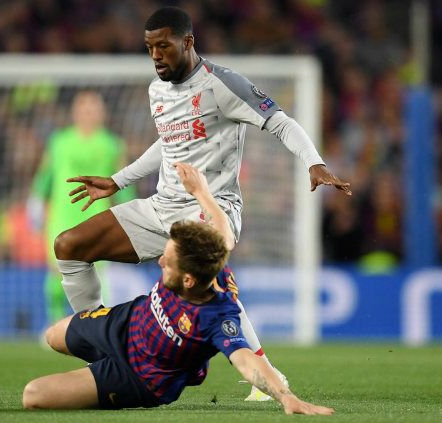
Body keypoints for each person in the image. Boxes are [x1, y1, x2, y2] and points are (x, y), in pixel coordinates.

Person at [54, 6, 351, 401]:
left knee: (211, 287)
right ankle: (102, 351)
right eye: (149, 48)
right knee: (69, 246)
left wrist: (314, 163)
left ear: (188, 42)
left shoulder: (222, 84)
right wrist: (118, 180)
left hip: (210, 209)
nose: (156, 55)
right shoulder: (156, 90)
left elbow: (279, 120)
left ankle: (263, 371)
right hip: (162, 207)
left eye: (164, 45)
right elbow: (168, 143)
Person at [23, 163, 334, 415]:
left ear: (187, 281)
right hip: (125, 323)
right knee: (53, 336)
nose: (160, 261)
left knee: (33, 395)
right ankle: (101, 365)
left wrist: (285, 396)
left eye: (167, 261)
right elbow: (223, 230)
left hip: (139, 377)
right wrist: (200, 192)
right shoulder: (203, 257)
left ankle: (107, 378)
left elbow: (245, 360)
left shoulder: (216, 316)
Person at [28, 91, 134, 323]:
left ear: (102, 113)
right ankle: (54, 322)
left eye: (93, 109)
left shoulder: (113, 145)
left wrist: (130, 210)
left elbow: (124, 183)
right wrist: (35, 201)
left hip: (97, 217)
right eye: (84, 109)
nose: (88, 114)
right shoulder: (59, 142)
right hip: (62, 216)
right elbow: (45, 175)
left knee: (97, 274)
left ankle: (99, 325)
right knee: (58, 272)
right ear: (75, 113)